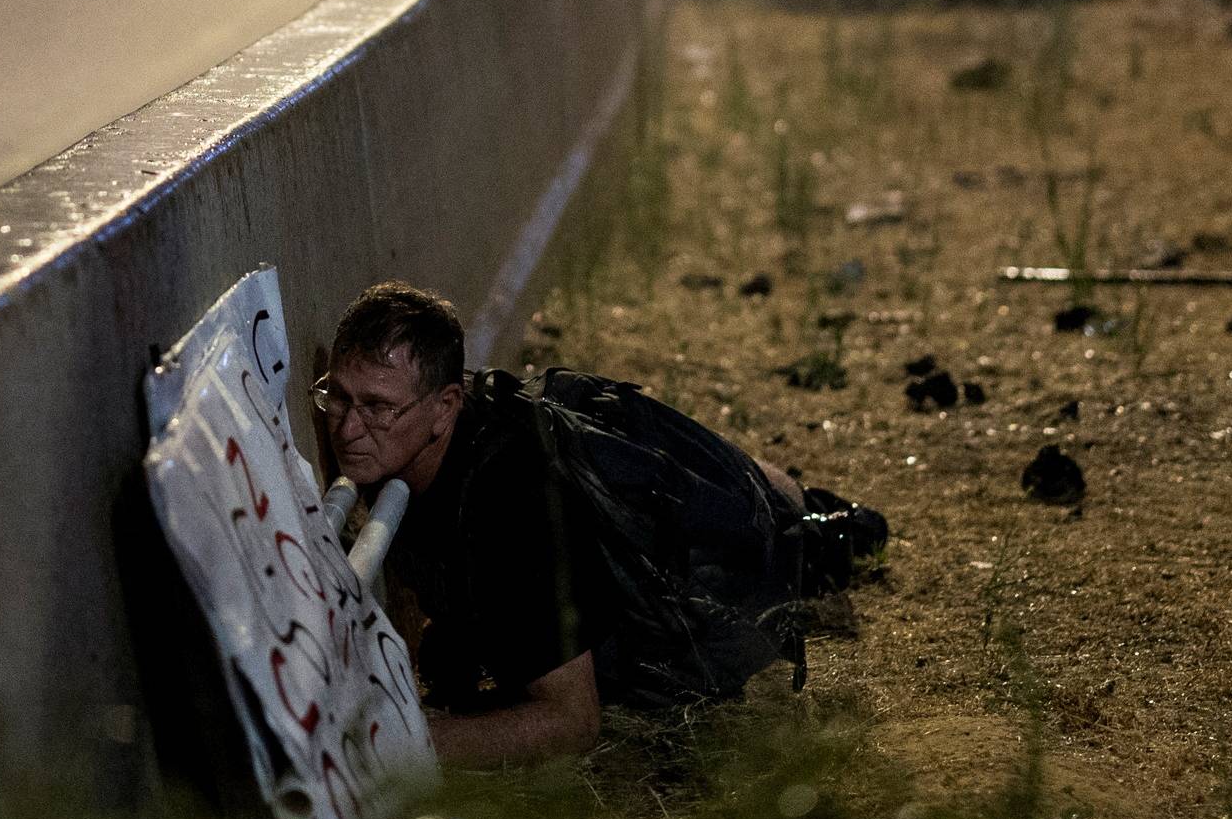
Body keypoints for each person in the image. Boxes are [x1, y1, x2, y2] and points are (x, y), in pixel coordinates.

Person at [316, 283, 884, 767]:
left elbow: (570, 722)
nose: (347, 429)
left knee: (807, 534)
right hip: (679, 502)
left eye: (377, 407)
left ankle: (829, 524)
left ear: (445, 407)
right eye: (336, 398)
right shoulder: (422, 441)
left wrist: (396, 748)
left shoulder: (509, 506)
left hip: (738, 551)